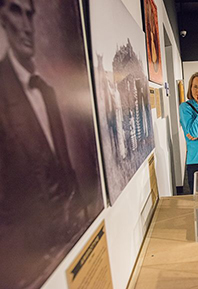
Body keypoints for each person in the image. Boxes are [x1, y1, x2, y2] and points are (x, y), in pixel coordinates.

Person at [0, 0, 84, 287]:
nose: (26, 25)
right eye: (15, 11)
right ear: (1, 17)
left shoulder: (46, 91)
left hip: (68, 241)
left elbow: (63, 169)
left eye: (29, 14)